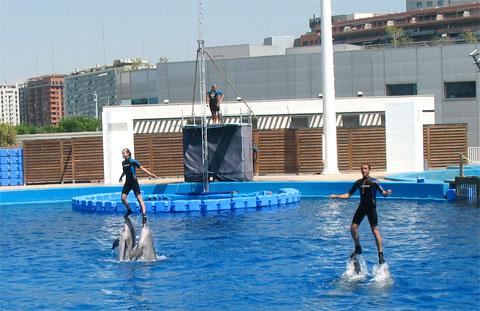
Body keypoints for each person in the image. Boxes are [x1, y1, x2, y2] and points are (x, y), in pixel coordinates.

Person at [329, 163, 392, 265]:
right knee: (353, 228)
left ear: (369, 170)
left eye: (365, 168)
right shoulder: (358, 182)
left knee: (375, 230)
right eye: (362, 169)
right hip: (362, 208)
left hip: (371, 208)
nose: (364, 170)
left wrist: (387, 193)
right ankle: (358, 247)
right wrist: (336, 196)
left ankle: (380, 254)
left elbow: (383, 193)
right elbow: (348, 194)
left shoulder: (374, 182)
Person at [119, 148, 157, 224]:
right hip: (127, 183)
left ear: (128, 154)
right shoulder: (123, 163)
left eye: (124, 153)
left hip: (134, 182)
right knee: (123, 198)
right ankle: (129, 210)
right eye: (122, 153)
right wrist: (121, 176)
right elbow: (125, 171)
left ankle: (144, 215)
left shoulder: (133, 161)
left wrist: (151, 174)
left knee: (139, 199)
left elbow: (142, 169)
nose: (123, 154)